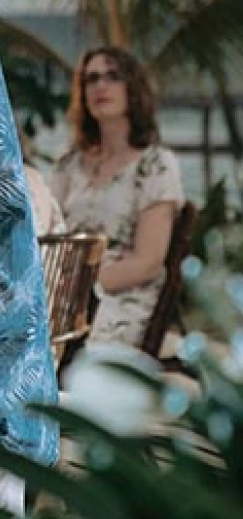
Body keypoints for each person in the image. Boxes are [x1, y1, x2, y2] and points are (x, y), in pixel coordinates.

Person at [51, 47, 183, 347]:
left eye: (113, 76)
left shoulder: (156, 165)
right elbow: (49, 236)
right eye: (91, 79)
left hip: (120, 300)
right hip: (61, 297)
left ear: (132, 88)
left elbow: (148, 262)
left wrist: (81, 289)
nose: (101, 86)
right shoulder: (68, 164)